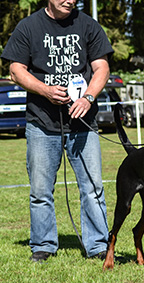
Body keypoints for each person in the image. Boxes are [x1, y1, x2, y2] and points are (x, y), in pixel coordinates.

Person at [1, 0, 114, 262]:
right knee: (40, 191)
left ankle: (97, 246)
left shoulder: (88, 25)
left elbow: (102, 67)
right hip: (41, 123)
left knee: (93, 188)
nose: (70, 0)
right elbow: (16, 70)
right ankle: (43, 245)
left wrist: (88, 97)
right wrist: (46, 91)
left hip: (83, 125)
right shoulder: (28, 26)